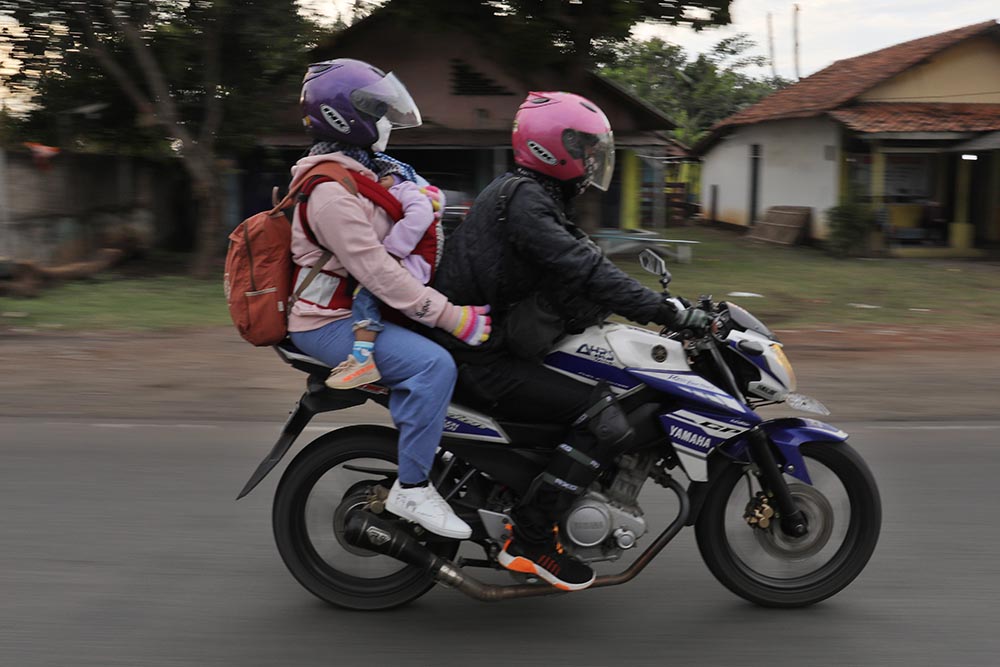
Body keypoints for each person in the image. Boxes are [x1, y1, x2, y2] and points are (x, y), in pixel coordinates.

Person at [432, 91, 710, 590]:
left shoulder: (531, 196)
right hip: (478, 356)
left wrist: (669, 306)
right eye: (582, 147)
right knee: (599, 414)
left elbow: (583, 264)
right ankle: (533, 537)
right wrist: (667, 311)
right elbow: (586, 269)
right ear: (549, 147)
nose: (590, 159)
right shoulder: (525, 202)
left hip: (484, 344)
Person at [288, 58, 491, 539]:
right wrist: (449, 316)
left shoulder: (362, 172)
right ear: (344, 116)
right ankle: (414, 488)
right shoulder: (330, 194)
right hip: (329, 322)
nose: (385, 122)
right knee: (433, 365)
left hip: (363, 312)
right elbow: (377, 272)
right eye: (377, 110)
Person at [323, 178, 467, 389]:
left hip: (408, 264)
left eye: (382, 176)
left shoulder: (405, 190)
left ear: (395, 176)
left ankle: (362, 360)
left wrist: (392, 250)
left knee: (364, 295)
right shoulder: (403, 193)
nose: (375, 179)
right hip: (411, 263)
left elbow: (419, 216)